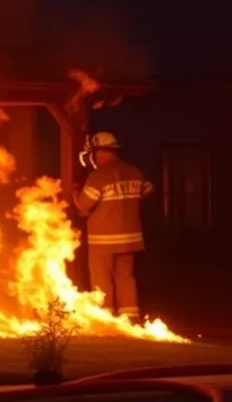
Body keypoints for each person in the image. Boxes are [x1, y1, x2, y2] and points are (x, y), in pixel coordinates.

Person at [73, 131, 155, 322]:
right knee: (126, 277)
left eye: (93, 153)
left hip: (103, 239)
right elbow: (149, 190)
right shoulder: (134, 172)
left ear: (99, 152)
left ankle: (105, 319)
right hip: (130, 238)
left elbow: (84, 205)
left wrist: (75, 191)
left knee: (102, 278)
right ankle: (131, 319)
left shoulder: (98, 176)